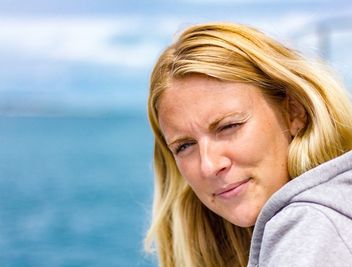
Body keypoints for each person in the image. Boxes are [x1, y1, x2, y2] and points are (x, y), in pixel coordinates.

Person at [144, 22, 352, 267]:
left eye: (229, 127)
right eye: (184, 146)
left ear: (294, 112)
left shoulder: (311, 228)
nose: (209, 165)